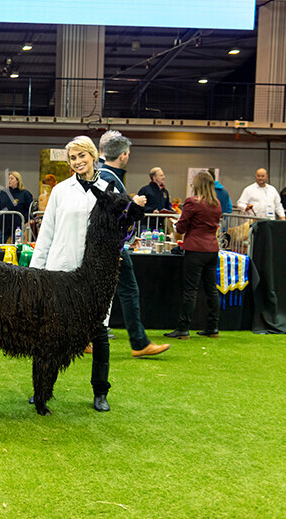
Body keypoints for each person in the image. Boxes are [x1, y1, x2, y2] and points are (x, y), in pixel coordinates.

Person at [29, 136, 143, 412]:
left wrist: (134, 209)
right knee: (50, 332)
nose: (78, 162)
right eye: (73, 158)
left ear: (93, 156)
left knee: (99, 330)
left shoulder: (111, 186)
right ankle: (42, 389)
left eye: (82, 156)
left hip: (96, 275)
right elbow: (47, 233)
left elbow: (125, 224)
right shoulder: (61, 191)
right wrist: (34, 272)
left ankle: (100, 391)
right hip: (61, 268)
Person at [98, 135, 170, 358]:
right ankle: (139, 342)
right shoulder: (110, 178)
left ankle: (88, 338)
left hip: (111, 243)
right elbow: (110, 213)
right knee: (128, 291)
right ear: (123, 155)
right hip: (112, 245)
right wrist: (134, 205)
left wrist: (128, 237)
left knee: (99, 292)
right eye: (128, 153)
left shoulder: (103, 175)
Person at [164, 172, 222, 340]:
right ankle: (213, 327)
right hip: (212, 249)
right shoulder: (216, 203)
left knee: (191, 290)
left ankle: (183, 328)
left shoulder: (192, 202)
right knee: (211, 289)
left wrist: (176, 225)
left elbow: (181, 228)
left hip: (196, 250)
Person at [0, 171, 33, 244]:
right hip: (3, 224)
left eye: (12, 178)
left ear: (18, 180)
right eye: (8, 178)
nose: (9, 180)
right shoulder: (3, 192)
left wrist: (27, 219)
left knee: (17, 246)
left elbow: (30, 209)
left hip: (18, 226)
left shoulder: (25, 194)